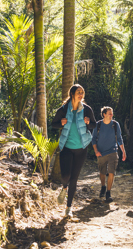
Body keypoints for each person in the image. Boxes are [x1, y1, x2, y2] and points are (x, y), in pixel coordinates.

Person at [51, 84, 96, 218]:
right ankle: (64, 187)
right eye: (78, 92)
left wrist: (88, 122)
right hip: (67, 147)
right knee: (66, 177)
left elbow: (94, 125)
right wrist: (61, 123)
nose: (81, 95)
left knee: (74, 179)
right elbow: (53, 124)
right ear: (72, 94)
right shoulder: (64, 109)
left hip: (81, 148)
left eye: (82, 92)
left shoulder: (87, 109)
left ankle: (68, 208)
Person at [92, 106, 126, 203]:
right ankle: (103, 186)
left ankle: (108, 192)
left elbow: (119, 139)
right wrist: (96, 151)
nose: (111, 115)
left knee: (112, 172)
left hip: (113, 151)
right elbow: (93, 139)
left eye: (112, 113)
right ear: (104, 114)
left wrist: (123, 151)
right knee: (102, 172)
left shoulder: (115, 124)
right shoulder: (98, 125)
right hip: (101, 152)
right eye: (109, 113)